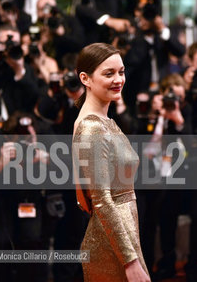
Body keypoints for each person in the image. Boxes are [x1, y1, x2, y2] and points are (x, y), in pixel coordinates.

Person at [72, 43, 150, 282]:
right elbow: (101, 200)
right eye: (109, 73)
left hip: (122, 237)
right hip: (111, 246)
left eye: (121, 72)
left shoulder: (105, 121)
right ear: (85, 78)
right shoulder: (91, 127)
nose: (118, 79)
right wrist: (130, 261)